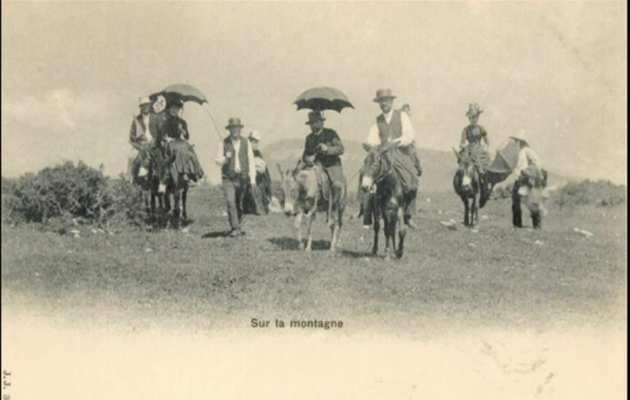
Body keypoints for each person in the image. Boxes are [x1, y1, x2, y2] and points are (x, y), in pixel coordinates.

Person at [364, 88, 419, 229]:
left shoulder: (401, 116)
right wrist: (375, 147)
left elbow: (410, 134)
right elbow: (371, 139)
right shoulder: (376, 122)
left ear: (391, 101)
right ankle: (368, 214)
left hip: (399, 153)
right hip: (382, 154)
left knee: (412, 175)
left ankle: (408, 214)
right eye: (381, 101)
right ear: (379, 104)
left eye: (386, 101)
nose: (384, 104)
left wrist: (396, 142)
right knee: (367, 175)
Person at [294, 110, 345, 211]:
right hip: (315, 166)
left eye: (316, 122)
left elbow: (341, 149)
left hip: (332, 165)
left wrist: (327, 149)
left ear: (321, 122)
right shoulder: (309, 138)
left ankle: (334, 206)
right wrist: (308, 158)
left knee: (336, 185)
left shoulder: (331, 134)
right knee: (300, 179)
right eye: (311, 123)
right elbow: (305, 154)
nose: (313, 125)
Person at [215, 118, 257, 237]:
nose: (235, 131)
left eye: (237, 128)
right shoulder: (223, 143)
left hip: (242, 178)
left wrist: (252, 178)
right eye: (233, 128)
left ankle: (237, 224)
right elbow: (217, 161)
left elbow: (251, 160)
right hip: (228, 177)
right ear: (229, 130)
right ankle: (235, 228)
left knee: (239, 202)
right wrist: (225, 158)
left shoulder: (246, 142)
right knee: (230, 201)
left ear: (240, 129)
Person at [159, 98, 204, 183]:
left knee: (190, 152)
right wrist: (166, 138)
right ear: (169, 110)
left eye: (175, 108)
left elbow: (187, 136)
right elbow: (162, 135)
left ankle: (190, 172)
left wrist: (182, 130)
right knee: (178, 149)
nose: (173, 110)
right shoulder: (165, 122)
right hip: (169, 142)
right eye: (172, 108)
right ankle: (179, 172)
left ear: (179, 110)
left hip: (179, 141)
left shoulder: (182, 122)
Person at [510, 132, 548, 228]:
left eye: (516, 141)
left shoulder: (527, 150)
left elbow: (537, 162)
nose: (515, 143)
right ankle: (517, 224)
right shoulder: (517, 153)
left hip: (526, 179)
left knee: (530, 201)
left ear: (521, 142)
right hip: (520, 179)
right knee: (516, 200)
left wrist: (528, 171)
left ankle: (536, 224)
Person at [459, 103, 491, 202]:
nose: (474, 119)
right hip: (469, 150)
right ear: (469, 118)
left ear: (478, 117)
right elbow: (462, 142)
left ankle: (485, 187)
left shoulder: (482, 129)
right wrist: (463, 146)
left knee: (484, 168)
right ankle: (464, 186)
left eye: (476, 117)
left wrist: (485, 147)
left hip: (479, 150)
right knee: (464, 167)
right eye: (472, 117)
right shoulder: (465, 130)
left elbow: (487, 141)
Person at [128, 96, 164, 182]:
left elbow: (161, 132)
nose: (145, 107)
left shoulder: (155, 118)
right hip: (142, 144)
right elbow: (132, 135)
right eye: (143, 106)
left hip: (154, 143)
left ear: (150, 106)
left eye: (147, 105)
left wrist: (156, 140)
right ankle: (130, 177)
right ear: (140, 107)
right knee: (131, 156)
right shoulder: (136, 120)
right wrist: (139, 142)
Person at [244, 129, 273, 215]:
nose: (255, 144)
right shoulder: (244, 153)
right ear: (249, 141)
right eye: (253, 142)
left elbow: (264, 170)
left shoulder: (258, 153)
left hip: (259, 181)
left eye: (257, 142)